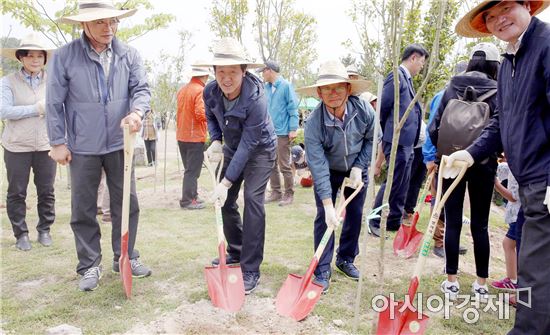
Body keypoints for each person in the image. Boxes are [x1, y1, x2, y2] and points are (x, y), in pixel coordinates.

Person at [451, 2, 550, 332]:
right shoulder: (509, 62)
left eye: (506, 8)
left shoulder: (546, 46)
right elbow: (499, 122)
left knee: (535, 270)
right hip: (530, 182)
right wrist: (469, 153)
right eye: (490, 17)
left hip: (546, 180)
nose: (498, 20)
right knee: (536, 266)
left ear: (526, 5)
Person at [47, 0, 152, 291]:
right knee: (83, 208)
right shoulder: (64, 57)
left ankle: (127, 257)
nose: (109, 28)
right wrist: (57, 142)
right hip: (82, 145)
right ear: (84, 25)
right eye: (100, 22)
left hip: (121, 143)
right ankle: (89, 266)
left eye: (113, 22)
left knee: (127, 204)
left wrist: (137, 112)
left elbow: (141, 89)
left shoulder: (129, 54)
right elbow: (54, 102)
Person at [196, 38, 277, 294]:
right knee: (226, 202)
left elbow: (249, 143)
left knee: (252, 200)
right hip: (233, 148)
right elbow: (210, 114)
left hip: (261, 149)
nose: (226, 78)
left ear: (244, 71)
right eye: (221, 71)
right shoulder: (209, 91)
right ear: (214, 72)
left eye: (233, 71)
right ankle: (237, 251)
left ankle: (251, 268)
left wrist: (225, 181)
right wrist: (217, 139)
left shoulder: (256, 99)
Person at [429, 42, 500, 302]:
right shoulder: (497, 90)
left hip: (450, 161)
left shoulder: (452, 86)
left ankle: (451, 281)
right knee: (480, 224)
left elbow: (434, 128)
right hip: (483, 163)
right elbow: (500, 130)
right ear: (495, 65)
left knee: (453, 221)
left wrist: (443, 152)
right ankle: (481, 284)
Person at [298, 60, 375, 293]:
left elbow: (374, 139)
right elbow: (318, 165)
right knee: (325, 217)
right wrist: (329, 205)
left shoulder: (364, 110)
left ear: (348, 88)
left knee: (354, 214)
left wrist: (359, 167)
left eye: (338, 87)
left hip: (356, 169)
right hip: (328, 171)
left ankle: (346, 259)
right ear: (319, 93)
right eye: (327, 89)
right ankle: (322, 268)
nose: (333, 94)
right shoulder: (313, 123)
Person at [0, 33, 56, 251]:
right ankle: (21, 234)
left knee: (46, 190)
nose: (35, 60)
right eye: (30, 55)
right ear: (21, 58)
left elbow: (60, 108)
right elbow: (4, 110)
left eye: (39, 56)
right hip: (16, 146)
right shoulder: (7, 82)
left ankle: (44, 230)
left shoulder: (53, 81)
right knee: (16, 191)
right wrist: (36, 109)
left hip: (45, 144)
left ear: (44, 59)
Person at [368, 44, 429, 237]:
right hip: (397, 140)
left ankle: (394, 220)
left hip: (408, 142)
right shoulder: (396, 76)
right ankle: (374, 220)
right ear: (413, 57)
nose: (421, 66)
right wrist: (391, 133)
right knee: (394, 180)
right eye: (421, 61)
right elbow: (383, 108)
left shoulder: (407, 80)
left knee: (403, 182)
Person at [260, 60, 299, 206]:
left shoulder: (286, 86)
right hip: (268, 132)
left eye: (263, 71)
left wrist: (293, 129)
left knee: (284, 165)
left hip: (283, 132)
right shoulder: (266, 87)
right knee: (270, 164)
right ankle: (276, 192)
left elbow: (292, 108)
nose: (262, 75)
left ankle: (289, 194)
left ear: (269, 70)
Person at [176, 66, 210, 210]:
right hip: (194, 137)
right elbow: (200, 114)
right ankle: (187, 200)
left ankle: (193, 196)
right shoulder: (200, 91)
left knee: (189, 169)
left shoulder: (182, 90)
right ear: (204, 76)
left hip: (182, 136)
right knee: (192, 171)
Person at [492, 154, 522, 291]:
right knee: (510, 244)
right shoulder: (511, 166)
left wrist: (496, 184)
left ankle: (513, 280)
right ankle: (514, 280)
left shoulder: (519, 170)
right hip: (516, 214)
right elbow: (500, 168)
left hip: (520, 214)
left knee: (509, 244)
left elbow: (513, 197)